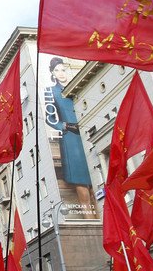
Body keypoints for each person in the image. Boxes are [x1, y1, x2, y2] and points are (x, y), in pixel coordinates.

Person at [44, 57, 95, 218]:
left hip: (89, 132)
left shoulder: (81, 84)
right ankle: (90, 221)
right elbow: (49, 117)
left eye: (63, 69)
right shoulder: (51, 91)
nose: (61, 73)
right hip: (71, 140)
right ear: (52, 73)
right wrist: (65, 126)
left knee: (96, 176)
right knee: (81, 182)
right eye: (57, 70)